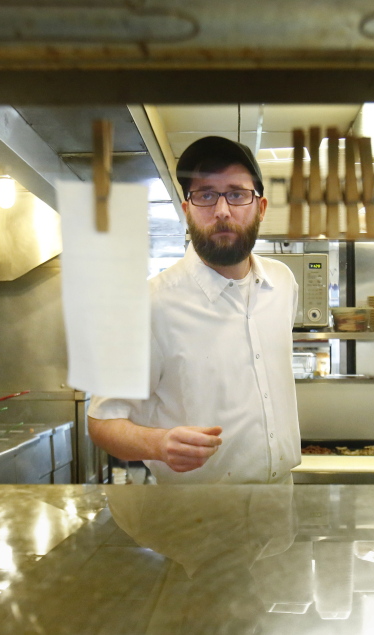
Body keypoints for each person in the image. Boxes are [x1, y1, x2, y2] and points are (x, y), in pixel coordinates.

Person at [87, 136, 300, 484]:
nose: (221, 211)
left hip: (280, 505)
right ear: (187, 212)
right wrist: (157, 443)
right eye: (204, 195)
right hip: (195, 515)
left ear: (260, 207)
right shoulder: (149, 305)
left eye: (236, 193)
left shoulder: (282, 283)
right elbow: (103, 422)